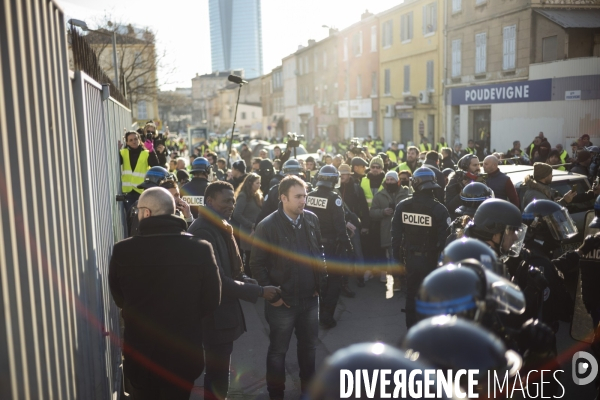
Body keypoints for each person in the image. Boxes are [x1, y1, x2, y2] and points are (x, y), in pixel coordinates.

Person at [109, 187, 221, 399]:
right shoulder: (201, 248)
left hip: (141, 353)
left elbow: (119, 297)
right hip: (184, 353)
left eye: (138, 210)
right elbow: (212, 300)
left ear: (147, 213)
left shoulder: (123, 251)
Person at [187, 182, 280, 400]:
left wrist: (258, 286)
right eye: (226, 200)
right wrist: (259, 292)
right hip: (213, 316)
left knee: (218, 372)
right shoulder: (203, 229)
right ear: (210, 201)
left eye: (233, 200)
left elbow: (235, 271)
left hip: (220, 314)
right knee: (217, 374)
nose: (232, 205)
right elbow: (220, 280)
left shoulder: (219, 225)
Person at [250, 175, 327, 400]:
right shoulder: (267, 226)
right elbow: (256, 264)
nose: (303, 201)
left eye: (305, 196)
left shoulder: (311, 219)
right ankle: (276, 394)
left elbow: (319, 252)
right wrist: (272, 295)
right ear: (283, 198)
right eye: (298, 197)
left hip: (310, 300)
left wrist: (319, 283)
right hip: (282, 302)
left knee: (309, 349)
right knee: (278, 352)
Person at [391, 167, 450, 328]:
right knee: (430, 297)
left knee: (411, 295)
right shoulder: (439, 209)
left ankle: (411, 330)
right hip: (431, 260)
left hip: (409, 259)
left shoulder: (403, 206)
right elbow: (445, 240)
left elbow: (395, 236)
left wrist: (396, 259)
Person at [305, 166, 353, 328]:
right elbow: (340, 226)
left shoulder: (309, 196)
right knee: (334, 280)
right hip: (331, 246)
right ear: (333, 179)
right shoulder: (334, 198)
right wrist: (348, 245)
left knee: (315, 279)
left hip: (311, 244)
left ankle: (314, 313)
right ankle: (327, 316)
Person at [369, 171, 411, 292]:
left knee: (407, 256)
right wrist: (383, 212)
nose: (389, 182)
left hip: (406, 230)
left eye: (392, 180)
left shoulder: (406, 193)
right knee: (393, 257)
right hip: (389, 230)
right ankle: (396, 281)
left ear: (397, 181)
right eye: (387, 180)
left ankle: (407, 279)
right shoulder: (379, 195)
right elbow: (372, 212)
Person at [337, 164, 371, 287]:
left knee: (357, 251)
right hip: (339, 224)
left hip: (354, 224)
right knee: (341, 251)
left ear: (349, 175)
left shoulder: (356, 188)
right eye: (340, 174)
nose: (342, 176)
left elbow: (364, 208)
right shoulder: (335, 189)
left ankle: (360, 277)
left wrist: (365, 225)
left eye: (344, 174)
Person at [232, 173, 263, 275]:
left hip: (256, 231)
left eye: (260, 183)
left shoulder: (256, 195)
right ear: (250, 183)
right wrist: (251, 225)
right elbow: (237, 214)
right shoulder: (243, 196)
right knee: (250, 259)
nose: (259, 185)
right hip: (248, 232)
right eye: (257, 183)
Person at [120, 131, 160, 209]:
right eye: (130, 140)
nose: (134, 141)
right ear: (127, 142)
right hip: (128, 192)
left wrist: (152, 151)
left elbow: (155, 166)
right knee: (130, 216)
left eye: (135, 139)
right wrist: (117, 150)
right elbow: (116, 162)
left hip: (141, 191)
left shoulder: (146, 153)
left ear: (139, 140)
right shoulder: (123, 152)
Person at [445, 154, 484, 219]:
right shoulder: (455, 181)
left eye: (478, 164)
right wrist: (462, 193)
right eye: (474, 165)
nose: (478, 168)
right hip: (461, 219)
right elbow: (449, 207)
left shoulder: (481, 179)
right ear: (465, 167)